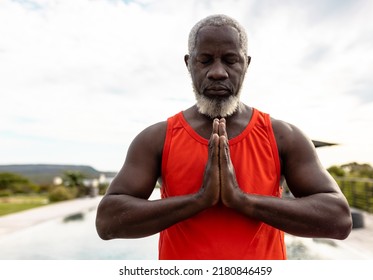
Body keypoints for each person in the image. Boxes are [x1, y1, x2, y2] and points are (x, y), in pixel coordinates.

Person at [95, 14, 352, 260]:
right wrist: (200, 200)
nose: (218, 72)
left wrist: (241, 200)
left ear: (246, 64)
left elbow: (339, 221)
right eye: (205, 60)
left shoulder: (284, 136)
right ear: (189, 63)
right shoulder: (157, 139)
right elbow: (107, 222)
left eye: (230, 60)